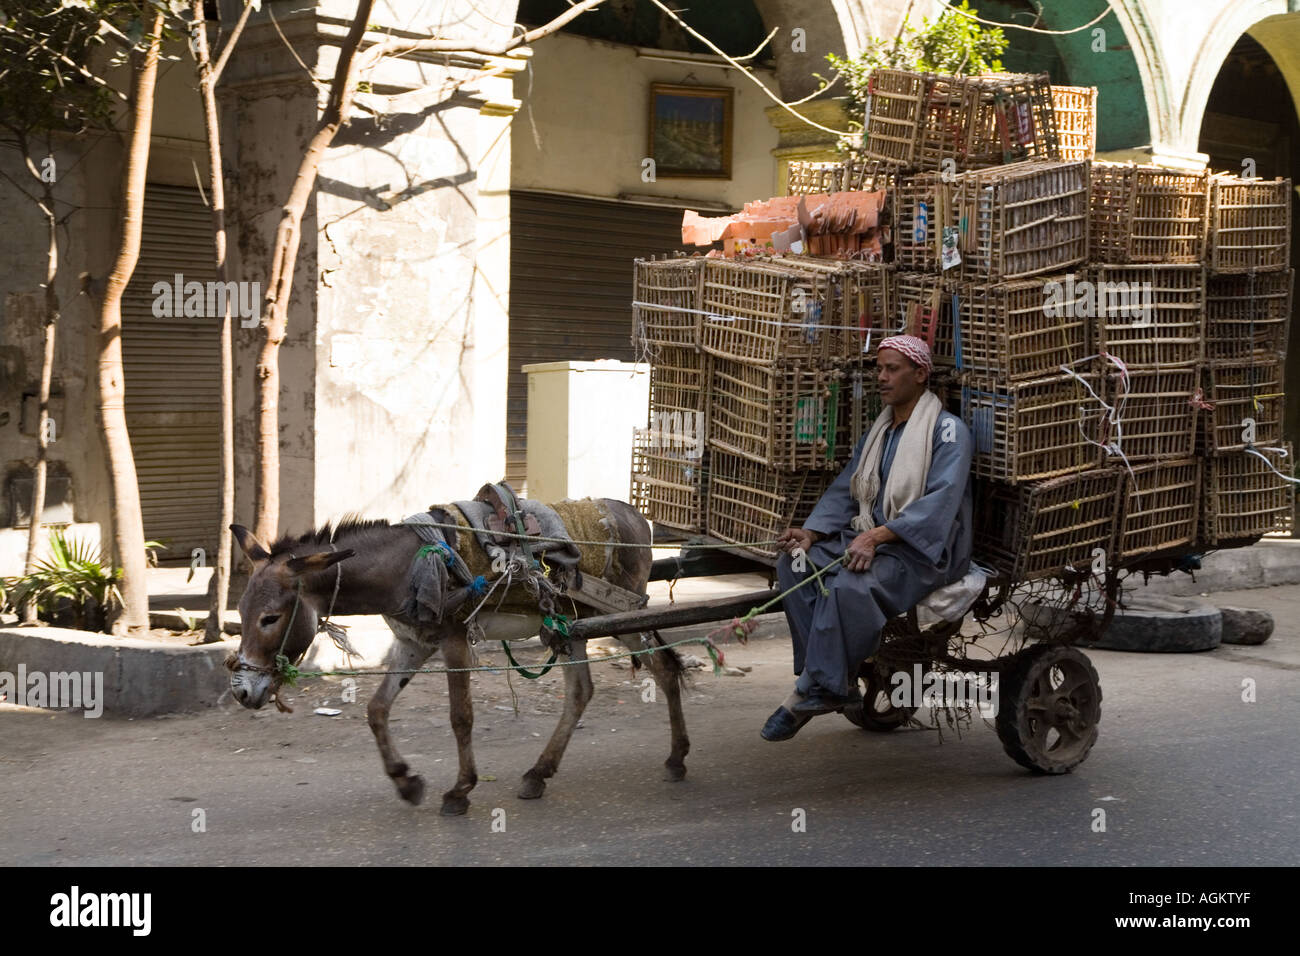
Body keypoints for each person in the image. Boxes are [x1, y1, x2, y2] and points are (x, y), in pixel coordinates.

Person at [761, 335, 974, 742]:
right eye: (880, 368)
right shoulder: (880, 431)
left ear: (920, 374)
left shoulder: (948, 432)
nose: (882, 377)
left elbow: (940, 504)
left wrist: (877, 537)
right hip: (869, 537)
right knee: (794, 564)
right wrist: (811, 532)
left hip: (919, 551)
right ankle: (826, 679)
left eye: (892, 369)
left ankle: (816, 688)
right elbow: (849, 488)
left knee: (849, 586)